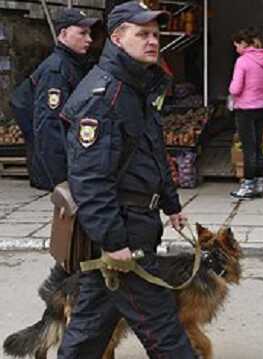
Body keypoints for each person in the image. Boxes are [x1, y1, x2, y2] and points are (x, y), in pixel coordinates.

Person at [57, 2, 196, 358]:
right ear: (118, 39)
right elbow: (90, 179)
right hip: (124, 231)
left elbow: (149, 150)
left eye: (155, 34)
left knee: (90, 326)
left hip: (136, 223)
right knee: (165, 332)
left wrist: (170, 203)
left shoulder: (134, 88)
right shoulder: (102, 97)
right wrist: (113, 241)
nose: (153, 41)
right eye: (142, 34)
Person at [13, 8, 100, 191]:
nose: (89, 39)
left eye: (90, 34)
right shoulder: (57, 70)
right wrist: (62, 179)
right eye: (82, 33)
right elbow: (50, 125)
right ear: (63, 34)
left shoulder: (71, 64)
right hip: (59, 167)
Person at [229, 27, 263, 199]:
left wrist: (231, 93)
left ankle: (248, 185)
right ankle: (259, 184)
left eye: (236, 45)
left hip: (245, 109)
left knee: (248, 147)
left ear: (243, 44)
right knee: (258, 146)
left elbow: (235, 88)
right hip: (262, 108)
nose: (236, 49)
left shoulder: (242, 62)